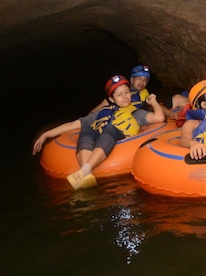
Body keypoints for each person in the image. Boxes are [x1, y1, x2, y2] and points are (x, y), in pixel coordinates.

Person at [33, 74, 166, 189]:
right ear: (112, 99)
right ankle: (85, 175)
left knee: (110, 129)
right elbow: (73, 124)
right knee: (87, 128)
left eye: (127, 92)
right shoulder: (102, 112)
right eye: (120, 95)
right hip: (97, 138)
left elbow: (159, 117)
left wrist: (153, 102)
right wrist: (45, 135)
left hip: (115, 136)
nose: (125, 97)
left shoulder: (136, 112)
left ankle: (84, 170)